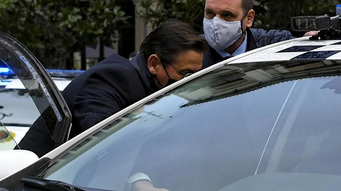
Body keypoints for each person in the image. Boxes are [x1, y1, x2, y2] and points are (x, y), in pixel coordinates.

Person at [15, 21, 206, 155]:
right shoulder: (113, 79)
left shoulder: (149, 88)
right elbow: (107, 146)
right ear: (154, 64)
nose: (190, 82)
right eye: (186, 74)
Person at [200, 0, 294, 66]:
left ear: (249, 18)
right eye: (210, 13)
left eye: (227, 15)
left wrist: (307, 41)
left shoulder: (273, 45)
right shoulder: (191, 53)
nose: (215, 23)